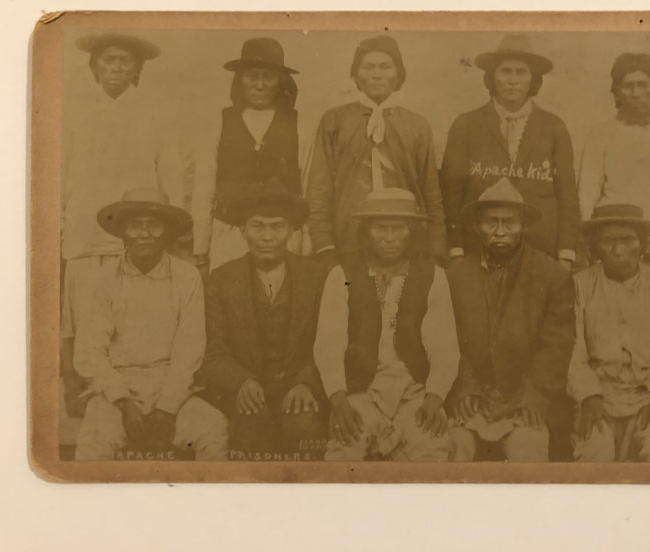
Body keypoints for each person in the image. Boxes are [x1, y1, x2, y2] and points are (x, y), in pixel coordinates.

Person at [61, 32, 186, 416]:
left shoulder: (155, 113)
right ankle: (80, 390)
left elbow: (172, 175)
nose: (116, 68)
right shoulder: (74, 113)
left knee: (130, 317)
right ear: (95, 65)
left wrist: (171, 230)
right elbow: (58, 173)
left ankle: (126, 396)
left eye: (125, 62)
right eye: (109, 60)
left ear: (137, 69)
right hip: (84, 235)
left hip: (132, 237)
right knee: (80, 317)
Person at [73, 189, 227, 461]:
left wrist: (167, 407)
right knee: (95, 439)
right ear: (123, 233)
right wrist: (123, 402)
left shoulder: (187, 278)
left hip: (172, 388)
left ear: (167, 233)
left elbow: (189, 352)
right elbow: (89, 352)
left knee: (213, 428)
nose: (144, 234)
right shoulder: (102, 280)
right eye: (135, 225)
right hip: (116, 389)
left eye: (154, 225)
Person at [313, 188, 459, 461]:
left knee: (432, 453)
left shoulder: (432, 276)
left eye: (399, 228)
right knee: (342, 455)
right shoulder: (342, 275)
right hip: (361, 394)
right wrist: (339, 399)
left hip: (414, 395)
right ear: (366, 232)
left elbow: (444, 347)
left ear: (412, 232)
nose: (389, 238)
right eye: (380, 228)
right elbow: (329, 344)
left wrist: (434, 396)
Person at [196, 179, 327, 460]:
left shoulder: (317, 277)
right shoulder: (220, 280)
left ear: (292, 231)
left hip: (299, 388)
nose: (267, 237)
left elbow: (331, 343)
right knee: (250, 427)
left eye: (278, 226)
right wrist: (241, 381)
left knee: (304, 427)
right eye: (257, 226)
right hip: (246, 391)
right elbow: (212, 351)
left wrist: (306, 382)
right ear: (243, 230)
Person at [446, 177, 575, 461]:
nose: (500, 232)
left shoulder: (552, 276)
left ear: (524, 226)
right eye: (492, 222)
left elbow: (557, 345)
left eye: (510, 223)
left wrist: (536, 395)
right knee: (454, 447)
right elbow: (449, 340)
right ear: (477, 226)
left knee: (528, 449)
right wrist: (465, 387)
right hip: (473, 395)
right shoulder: (457, 276)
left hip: (526, 395)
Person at [306, 35, 447, 268]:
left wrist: (436, 248)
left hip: (405, 240)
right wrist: (324, 245)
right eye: (368, 67)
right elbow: (319, 190)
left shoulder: (416, 125)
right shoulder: (335, 120)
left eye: (385, 67)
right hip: (347, 240)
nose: (377, 74)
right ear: (356, 75)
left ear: (398, 75)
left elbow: (431, 192)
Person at [440, 34, 579, 267]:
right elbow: (452, 194)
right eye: (505, 71)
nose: (512, 80)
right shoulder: (466, 125)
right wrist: (456, 248)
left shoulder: (554, 127)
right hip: (480, 248)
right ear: (492, 77)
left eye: (521, 72)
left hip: (540, 248)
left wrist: (566, 252)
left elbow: (567, 195)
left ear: (532, 79)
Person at [191, 37, 305, 277]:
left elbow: (307, 190)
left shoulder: (299, 125)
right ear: (240, 80)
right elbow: (204, 191)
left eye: (269, 76)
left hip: (282, 238)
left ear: (282, 81)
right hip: (229, 236)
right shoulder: (219, 122)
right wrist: (200, 249)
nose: (260, 85)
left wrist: (306, 248)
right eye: (252, 76)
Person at [568, 203, 650, 462]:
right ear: (596, 246)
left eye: (627, 240)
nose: (618, 250)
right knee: (595, 452)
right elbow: (573, 352)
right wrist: (589, 395)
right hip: (598, 399)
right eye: (609, 241)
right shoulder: (579, 287)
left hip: (649, 398)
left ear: (642, 244)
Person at [577, 53, 650, 271]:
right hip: (616, 248)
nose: (636, 93)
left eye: (643, 85)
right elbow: (586, 194)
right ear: (617, 92)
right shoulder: (601, 134)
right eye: (628, 86)